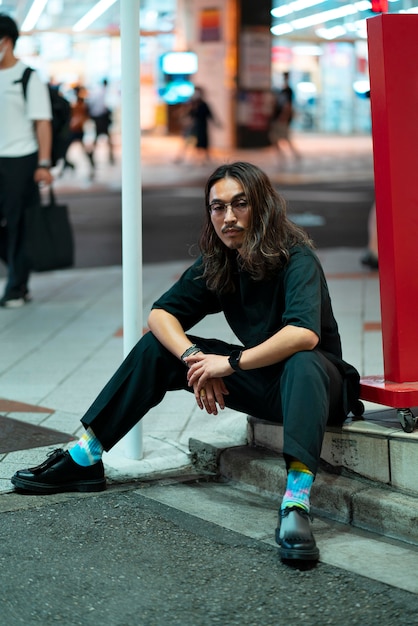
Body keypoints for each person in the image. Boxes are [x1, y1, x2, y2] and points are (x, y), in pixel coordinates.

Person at [11, 161, 360, 563]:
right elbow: (161, 314)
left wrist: (227, 364)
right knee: (158, 346)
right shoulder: (222, 260)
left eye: (240, 204)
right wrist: (196, 359)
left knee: (302, 360)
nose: (228, 217)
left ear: (261, 207)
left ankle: (296, 503)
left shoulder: (296, 257)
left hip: (321, 388)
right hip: (266, 383)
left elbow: (303, 334)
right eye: (217, 207)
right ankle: (86, 456)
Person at [0, 13, 52, 308]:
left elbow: (42, 122)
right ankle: (20, 269)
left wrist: (43, 163)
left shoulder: (28, 77)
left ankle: (16, 287)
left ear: (6, 42)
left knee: (18, 223)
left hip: (21, 159)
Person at [269, 71, 301, 164]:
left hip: (281, 119)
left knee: (283, 138)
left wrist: (284, 117)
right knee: (277, 138)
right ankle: (285, 156)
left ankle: (292, 156)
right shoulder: (282, 91)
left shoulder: (288, 91)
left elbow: (288, 106)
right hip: (278, 118)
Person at [63, 85, 94, 179]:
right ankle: (69, 166)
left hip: (80, 130)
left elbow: (86, 117)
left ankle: (91, 167)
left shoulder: (82, 104)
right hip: (74, 130)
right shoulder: (74, 103)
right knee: (66, 151)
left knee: (85, 151)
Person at [188, 86, 220, 164]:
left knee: (204, 140)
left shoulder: (204, 104)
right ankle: (196, 157)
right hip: (194, 126)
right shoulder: (193, 104)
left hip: (203, 125)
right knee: (192, 141)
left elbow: (210, 114)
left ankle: (206, 157)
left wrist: (216, 123)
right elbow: (189, 115)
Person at [87, 78, 114, 165]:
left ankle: (94, 155)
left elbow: (90, 104)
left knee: (98, 138)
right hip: (101, 118)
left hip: (97, 118)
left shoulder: (97, 92)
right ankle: (109, 157)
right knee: (105, 138)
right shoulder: (104, 92)